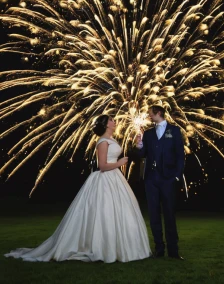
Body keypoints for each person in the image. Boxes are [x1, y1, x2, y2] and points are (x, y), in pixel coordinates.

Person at [5, 115, 151, 263]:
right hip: (105, 179)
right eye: (111, 120)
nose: (115, 121)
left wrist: (137, 145)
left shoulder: (112, 140)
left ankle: (118, 246)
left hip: (115, 179)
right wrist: (119, 163)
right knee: (103, 211)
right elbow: (102, 166)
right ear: (106, 125)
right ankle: (101, 246)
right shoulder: (102, 142)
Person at [136, 105, 185, 259]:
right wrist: (139, 145)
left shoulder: (174, 130)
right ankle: (159, 249)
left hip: (168, 179)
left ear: (158, 113)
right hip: (151, 179)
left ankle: (173, 250)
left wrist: (177, 176)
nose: (149, 116)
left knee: (169, 214)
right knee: (154, 214)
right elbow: (142, 154)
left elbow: (180, 155)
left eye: (150, 114)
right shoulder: (148, 134)